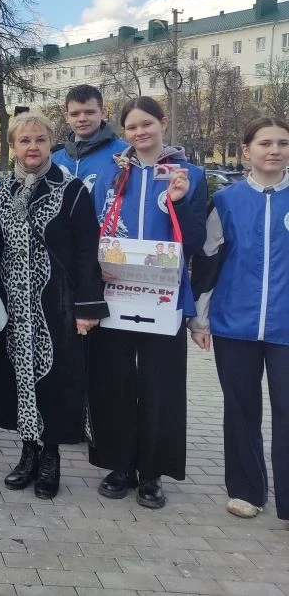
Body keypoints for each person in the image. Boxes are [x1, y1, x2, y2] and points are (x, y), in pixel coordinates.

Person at [0, 112, 107, 500]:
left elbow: (88, 251)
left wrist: (88, 307)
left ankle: (49, 455)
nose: (32, 147)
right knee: (18, 377)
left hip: (56, 305)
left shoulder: (71, 190)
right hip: (12, 304)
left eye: (39, 140)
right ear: (13, 146)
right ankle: (27, 452)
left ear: (49, 143)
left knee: (54, 380)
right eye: (24, 141)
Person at [89, 96, 207, 510]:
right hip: (116, 294)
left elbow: (194, 243)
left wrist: (178, 202)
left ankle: (152, 471)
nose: (140, 133)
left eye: (147, 124)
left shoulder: (188, 174)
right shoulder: (110, 173)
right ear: (124, 132)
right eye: (132, 127)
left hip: (163, 297)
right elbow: (95, 231)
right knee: (114, 383)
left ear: (163, 122)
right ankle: (119, 464)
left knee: (160, 386)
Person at [191, 117, 289, 521]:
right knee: (241, 409)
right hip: (235, 326)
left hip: (286, 330)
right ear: (247, 150)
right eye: (265, 143)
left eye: (283, 143)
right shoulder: (228, 202)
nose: (275, 150)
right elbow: (209, 262)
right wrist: (200, 319)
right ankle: (247, 490)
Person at [51, 84, 129, 191]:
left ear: (103, 113)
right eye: (75, 114)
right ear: (67, 117)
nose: (82, 119)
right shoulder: (54, 161)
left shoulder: (124, 153)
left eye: (89, 112)